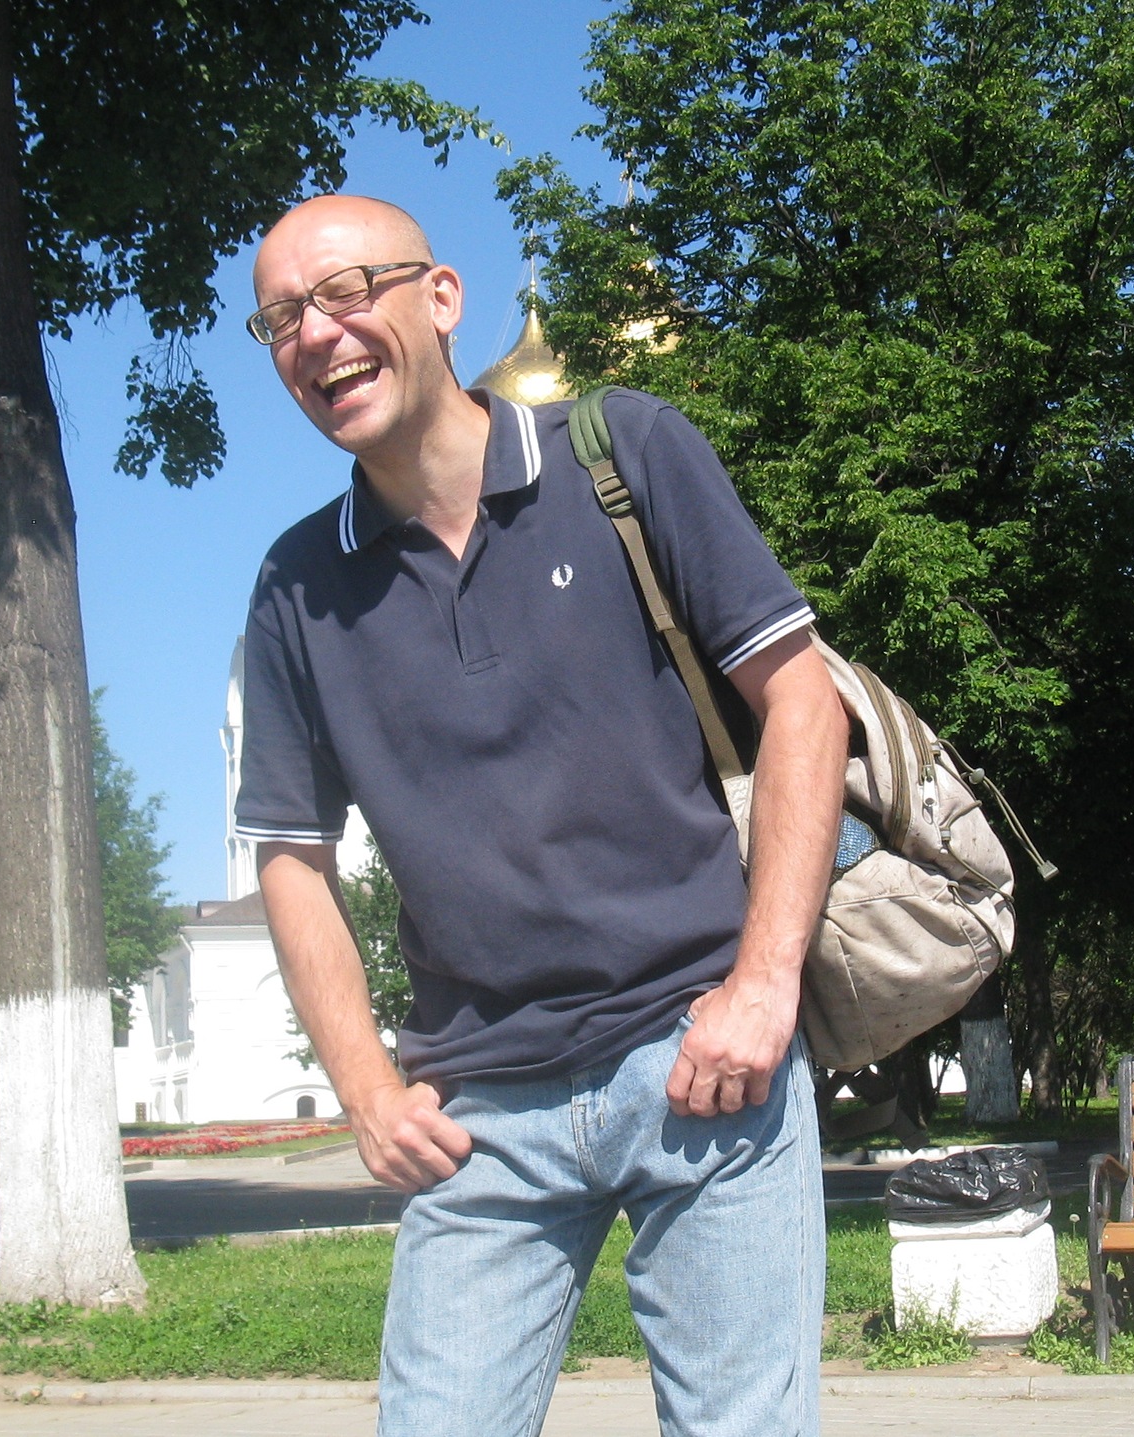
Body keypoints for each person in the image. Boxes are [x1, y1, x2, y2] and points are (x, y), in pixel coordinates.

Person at [237, 195, 848, 1437]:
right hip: (481, 1115)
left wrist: (763, 984)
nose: (317, 335)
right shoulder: (298, 587)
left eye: (347, 293)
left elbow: (802, 702)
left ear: (440, 298)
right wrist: (365, 1088)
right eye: (283, 318)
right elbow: (290, 855)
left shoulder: (623, 453)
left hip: (699, 1057)